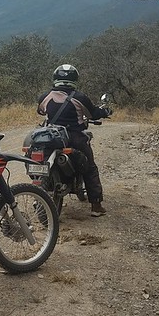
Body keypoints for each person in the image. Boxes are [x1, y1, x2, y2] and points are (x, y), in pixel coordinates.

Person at [37, 64, 111, 217]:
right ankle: (96, 205)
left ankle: (36, 194)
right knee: (90, 167)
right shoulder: (79, 97)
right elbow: (93, 114)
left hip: (51, 137)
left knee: (39, 162)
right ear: (74, 79)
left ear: (56, 78)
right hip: (74, 137)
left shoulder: (44, 96)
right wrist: (105, 111)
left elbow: (41, 111)